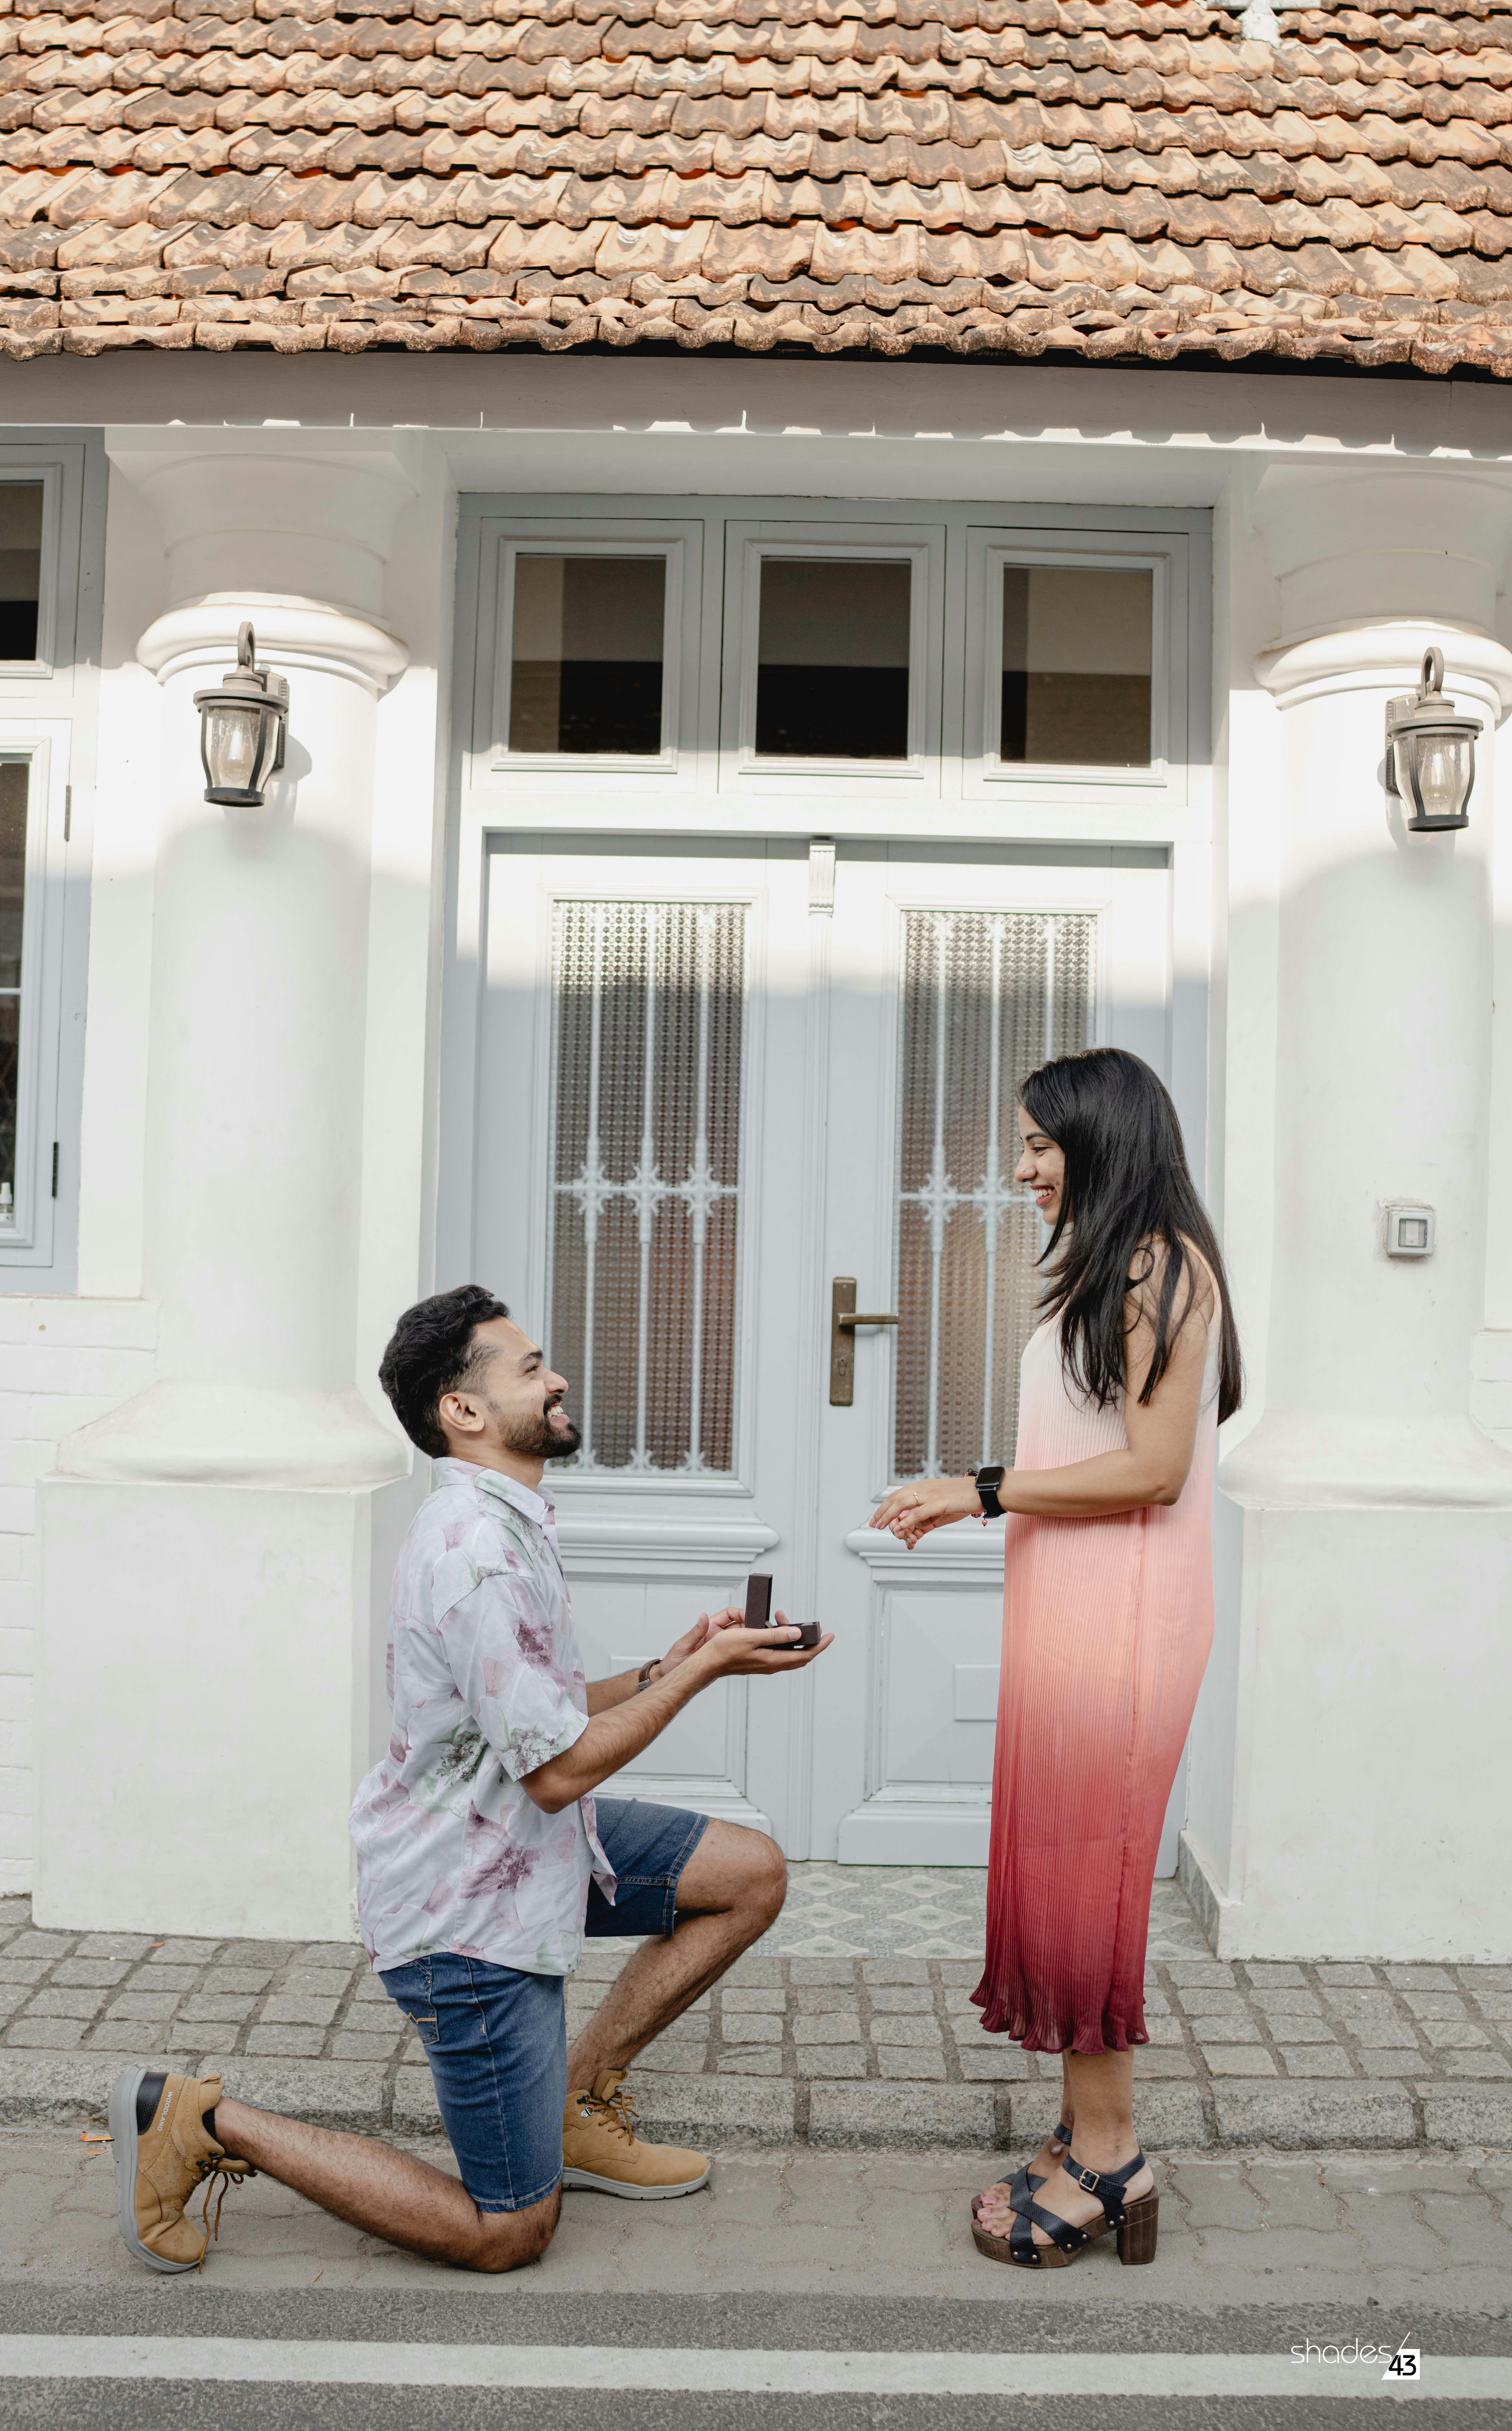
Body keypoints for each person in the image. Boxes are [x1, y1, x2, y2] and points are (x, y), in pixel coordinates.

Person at [110, 1285, 830, 2276]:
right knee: (510, 2232)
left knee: (749, 1875)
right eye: (531, 1368)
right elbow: (557, 1768)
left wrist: (672, 1663)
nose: (558, 1377)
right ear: (465, 1412)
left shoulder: (505, 1519)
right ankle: (196, 2120)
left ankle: (576, 2104)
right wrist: (709, 1674)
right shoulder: (477, 1553)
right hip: (465, 1909)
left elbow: (537, 1709)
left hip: (530, 1849)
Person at [870, 1048, 1241, 2272]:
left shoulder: (1159, 1267)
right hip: (1077, 1602)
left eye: (1038, 1143)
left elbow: (1153, 1470)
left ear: (1102, 1136)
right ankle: (1088, 2130)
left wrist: (976, 1491)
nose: (1022, 1166)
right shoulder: (1116, 1264)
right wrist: (989, 1499)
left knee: (1093, 1878)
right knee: (1071, 1866)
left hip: (1122, 1619)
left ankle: (1115, 2158)